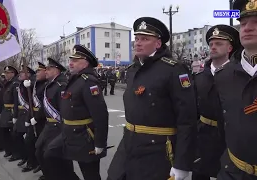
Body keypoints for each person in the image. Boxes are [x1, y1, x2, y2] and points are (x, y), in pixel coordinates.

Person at [107, 17, 198, 180]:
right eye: (137, 38)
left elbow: (187, 119)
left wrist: (182, 163)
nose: (138, 43)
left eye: (145, 39)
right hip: (128, 144)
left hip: (157, 150)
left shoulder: (173, 69)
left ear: (158, 44)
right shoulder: (133, 69)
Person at [214, 0, 257, 179]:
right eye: (243, 23)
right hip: (233, 171)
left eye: (256, 22)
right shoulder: (224, 75)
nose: (247, 28)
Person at [192, 25, 240, 180]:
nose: (213, 47)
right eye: (211, 44)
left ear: (230, 48)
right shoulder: (200, 76)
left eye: (219, 43)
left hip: (228, 139)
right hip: (203, 138)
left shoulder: (238, 74)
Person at [61, 44, 109, 180]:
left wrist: (100, 143)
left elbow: (100, 115)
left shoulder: (88, 82)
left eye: (75, 60)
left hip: (85, 137)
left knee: (90, 175)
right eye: (71, 60)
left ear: (85, 63)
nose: (70, 63)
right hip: (72, 135)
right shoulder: (76, 79)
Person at [40, 57, 79, 180]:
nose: (46, 71)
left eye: (48, 69)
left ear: (56, 70)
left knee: (59, 158)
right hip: (49, 126)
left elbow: (65, 109)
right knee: (41, 151)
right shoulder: (50, 84)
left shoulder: (61, 85)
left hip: (58, 126)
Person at [0, 66, 19, 157]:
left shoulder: (15, 84)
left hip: (11, 110)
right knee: (3, 130)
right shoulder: (6, 83)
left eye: (8, 73)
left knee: (13, 133)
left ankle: (16, 152)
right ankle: (9, 150)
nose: (6, 75)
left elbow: (16, 100)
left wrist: (15, 115)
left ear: (13, 73)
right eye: (5, 73)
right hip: (5, 110)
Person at [32, 62, 48, 179]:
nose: (37, 73)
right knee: (39, 147)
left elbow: (44, 105)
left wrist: (36, 117)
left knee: (44, 149)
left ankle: (48, 171)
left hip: (45, 119)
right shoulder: (37, 84)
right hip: (38, 117)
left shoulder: (47, 85)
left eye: (39, 71)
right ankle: (44, 169)